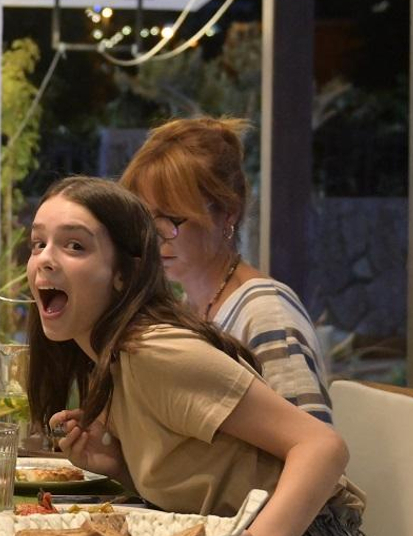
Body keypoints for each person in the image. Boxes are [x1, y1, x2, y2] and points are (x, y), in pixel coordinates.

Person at [26, 176, 413, 536]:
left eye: (74, 245)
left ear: (124, 274)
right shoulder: (114, 363)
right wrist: (121, 468)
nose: (44, 259)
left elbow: (321, 445)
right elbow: (213, 478)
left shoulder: (153, 351)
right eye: (37, 243)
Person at [120, 117, 333, 423]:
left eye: (171, 218)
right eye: (145, 218)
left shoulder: (265, 312)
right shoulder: (191, 307)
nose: (155, 234)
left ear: (228, 212)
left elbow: (318, 439)